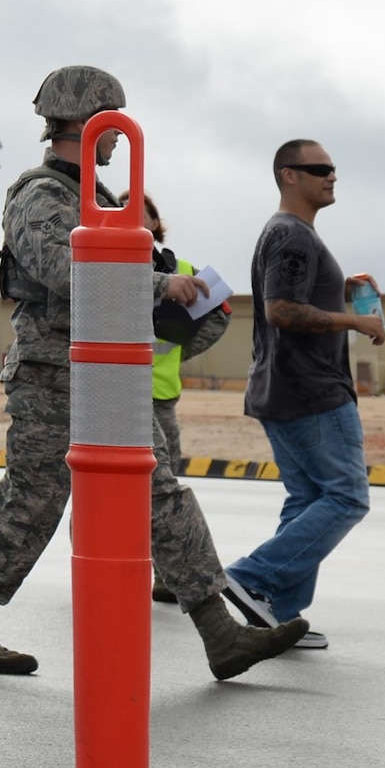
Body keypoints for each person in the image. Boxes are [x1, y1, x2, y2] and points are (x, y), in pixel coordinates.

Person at [0, 66, 308, 680]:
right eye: (111, 123)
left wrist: (193, 309)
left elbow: (131, 283)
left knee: (159, 492)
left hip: (111, 370)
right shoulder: (40, 194)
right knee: (32, 501)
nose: (118, 139)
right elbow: (66, 270)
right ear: (87, 120)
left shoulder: (104, 198)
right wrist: (162, 282)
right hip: (54, 374)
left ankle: (220, 634)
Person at [223, 140, 384, 651]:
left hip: (282, 388)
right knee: (346, 497)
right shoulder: (292, 235)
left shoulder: (292, 235)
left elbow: (295, 297)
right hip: (311, 390)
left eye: (334, 168)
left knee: (309, 497)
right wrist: (354, 320)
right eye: (320, 169)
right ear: (289, 175)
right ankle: (252, 576)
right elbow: (282, 310)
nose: (331, 176)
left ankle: (277, 613)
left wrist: (343, 288)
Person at [144, 193, 230, 604]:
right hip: (117, 394)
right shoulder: (111, 264)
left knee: (164, 488)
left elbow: (223, 310)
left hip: (161, 397)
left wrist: (181, 349)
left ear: (156, 222)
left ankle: (165, 576)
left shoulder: (182, 270)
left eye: (142, 214)